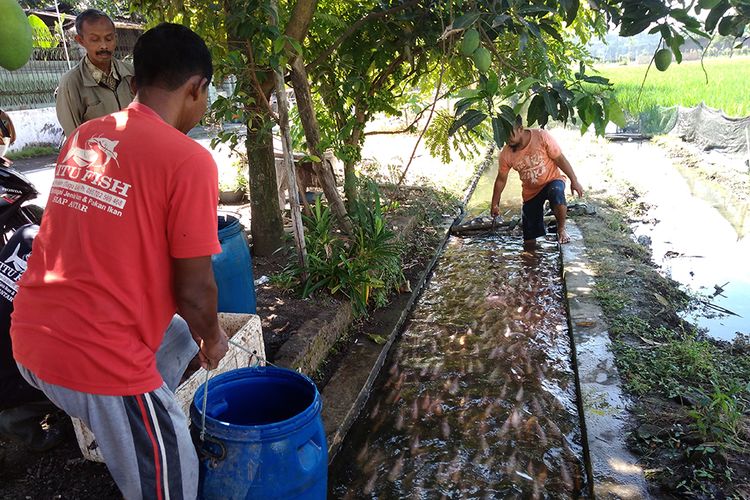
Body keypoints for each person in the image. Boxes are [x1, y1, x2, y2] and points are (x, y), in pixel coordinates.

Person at [11, 23, 228, 498]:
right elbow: (194, 289)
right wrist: (213, 337)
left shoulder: (85, 136)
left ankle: (139, 424)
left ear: (134, 85)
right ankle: (144, 423)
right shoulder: (189, 161)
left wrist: (193, 334)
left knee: (174, 341)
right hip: (97, 356)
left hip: (29, 337)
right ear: (197, 89)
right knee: (175, 483)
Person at [490, 116, 584, 247]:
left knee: (556, 192)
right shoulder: (506, 153)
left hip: (552, 180)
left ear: (521, 129)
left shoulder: (541, 136)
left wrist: (574, 181)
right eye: (504, 135)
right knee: (528, 242)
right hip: (531, 192)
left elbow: (560, 159)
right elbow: (501, 180)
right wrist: (495, 204)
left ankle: (561, 229)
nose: (508, 138)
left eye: (510, 134)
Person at [55, 9, 135, 137]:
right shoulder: (71, 83)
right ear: (80, 40)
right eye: (95, 40)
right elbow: (74, 137)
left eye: (109, 39)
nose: (104, 46)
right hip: (98, 156)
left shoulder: (131, 74)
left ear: (115, 38)